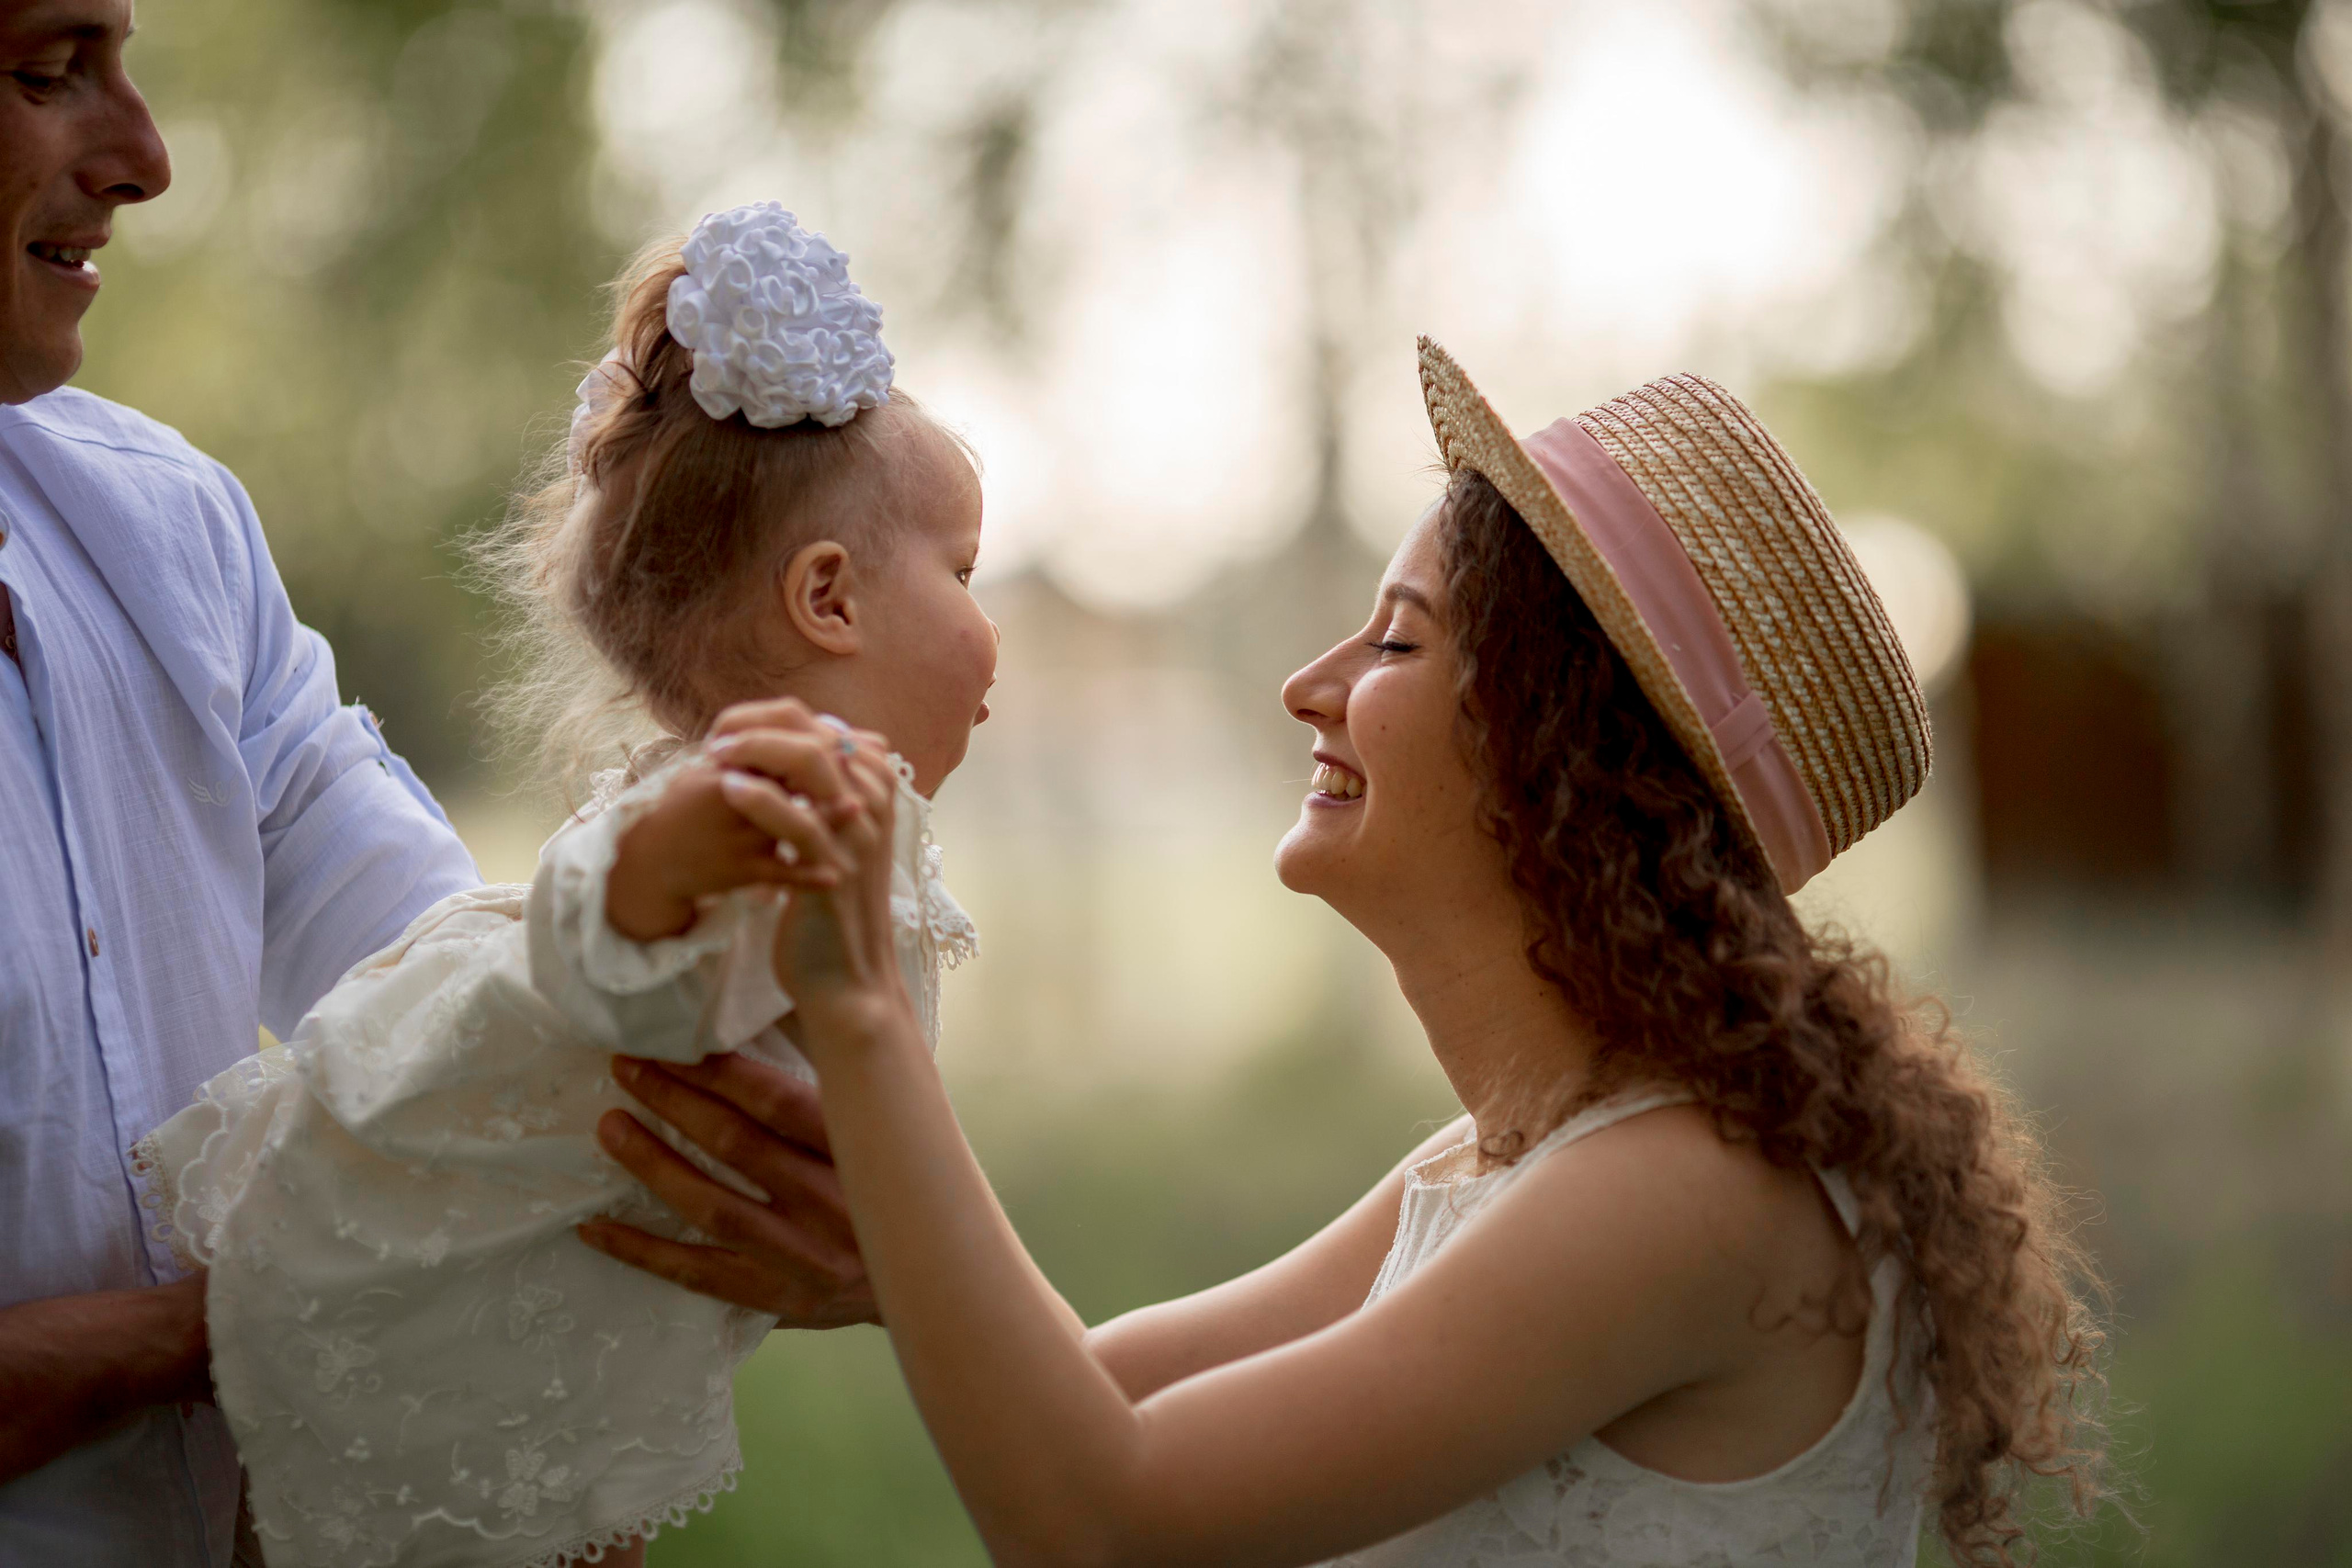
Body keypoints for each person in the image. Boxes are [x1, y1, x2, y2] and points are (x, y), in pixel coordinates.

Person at [612, 344, 2109, 1565]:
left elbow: (1101, 1517)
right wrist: (887, 1249)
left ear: (1558, 746)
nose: (1308, 686)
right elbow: (1111, 1393)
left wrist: (861, 1005)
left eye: (1394, 644)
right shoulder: (1516, 1158)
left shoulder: (1690, 1195)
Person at [131, 201, 997, 1568]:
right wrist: (665, 859)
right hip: (461, 1297)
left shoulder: (798, 798)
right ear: (829, 599)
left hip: (560, 1328)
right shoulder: (769, 795)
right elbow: (602, 939)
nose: (989, 623)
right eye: (965, 571)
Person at [0, 3, 485, 1560]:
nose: (142, 159)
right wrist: (224, 1331)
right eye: (43, 73)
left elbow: (453, 996)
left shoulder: (178, 536)